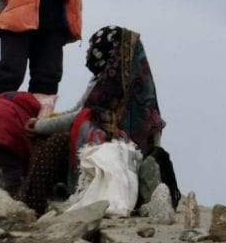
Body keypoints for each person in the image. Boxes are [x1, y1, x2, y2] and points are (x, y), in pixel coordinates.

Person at [23, 25, 168, 215]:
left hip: (116, 155)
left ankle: (33, 204)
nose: (88, 53)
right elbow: (78, 110)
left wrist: (41, 126)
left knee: (54, 143)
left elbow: (79, 116)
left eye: (93, 48)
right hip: (102, 151)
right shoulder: (102, 81)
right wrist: (44, 121)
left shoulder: (111, 88)